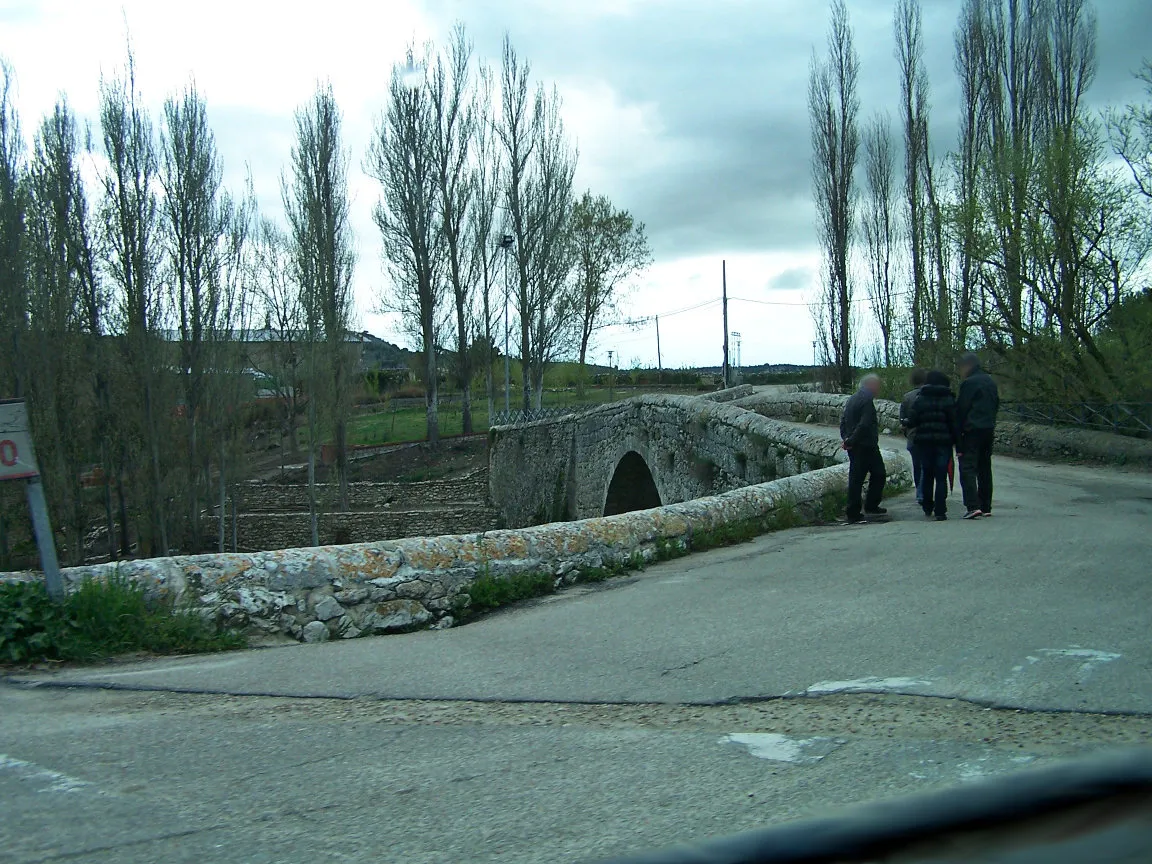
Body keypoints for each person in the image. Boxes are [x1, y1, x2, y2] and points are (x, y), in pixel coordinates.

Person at [906, 369, 958, 521]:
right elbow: (954, 423)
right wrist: (958, 443)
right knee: (941, 476)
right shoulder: (949, 399)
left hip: (925, 442)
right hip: (944, 443)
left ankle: (928, 505)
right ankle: (940, 510)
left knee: (927, 474)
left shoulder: (920, 399)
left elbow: (913, 421)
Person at [956, 352, 1000, 519]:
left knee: (968, 467)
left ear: (967, 366)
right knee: (984, 468)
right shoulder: (990, 381)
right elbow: (996, 403)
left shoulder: (969, 383)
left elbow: (962, 408)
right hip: (988, 428)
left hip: (972, 430)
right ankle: (986, 505)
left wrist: (958, 433)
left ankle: (973, 505)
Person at [839, 374, 886, 524]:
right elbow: (864, 424)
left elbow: (843, 421)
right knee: (876, 474)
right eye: (877, 385)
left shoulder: (852, 399)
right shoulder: (866, 401)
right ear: (871, 385)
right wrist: (851, 440)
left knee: (859, 478)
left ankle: (867, 506)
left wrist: (846, 439)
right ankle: (855, 511)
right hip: (866, 445)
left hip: (856, 445)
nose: (878, 389)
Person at [899, 368, 928, 506]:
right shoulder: (929, 395)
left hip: (912, 437)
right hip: (927, 436)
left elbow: (902, 420)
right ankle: (923, 493)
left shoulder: (907, 397)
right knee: (925, 465)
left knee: (917, 466)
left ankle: (919, 492)